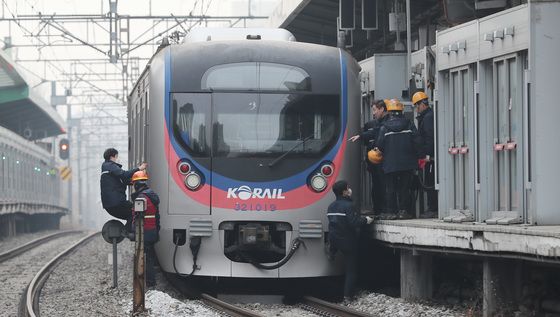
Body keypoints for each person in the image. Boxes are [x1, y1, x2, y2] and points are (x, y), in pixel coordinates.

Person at [327, 180, 374, 300]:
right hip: (348, 241)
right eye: (348, 188)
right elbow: (353, 223)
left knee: (337, 246)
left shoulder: (331, 206)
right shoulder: (349, 206)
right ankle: (348, 296)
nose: (350, 189)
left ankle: (332, 252)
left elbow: (334, 224)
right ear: (344, 192)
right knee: (351, 270)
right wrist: (366, 220)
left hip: (334, 239)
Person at [376, 99, 421, 220]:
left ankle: (391, 212)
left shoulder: (384, 128)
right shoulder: (409, 124)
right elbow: (417, 142)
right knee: (404, 188)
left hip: (390, 164)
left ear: (389, 112)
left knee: (390, 188)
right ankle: (403, 211)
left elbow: (379, 146)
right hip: (407, 163)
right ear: (402, 111)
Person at [349, 100, 389, 216]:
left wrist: (361, 136)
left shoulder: (387, 123)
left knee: (384, 186)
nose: (373, 113)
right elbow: (374, 134)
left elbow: (376, 135)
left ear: (382, 109)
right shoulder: (378, 123)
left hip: (385, 161)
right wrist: (360, 136)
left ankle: (385, 209)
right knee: (378, 186)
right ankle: (379, 209)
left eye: (375, 110)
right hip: (379, 162)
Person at [100, 148, 147, 231]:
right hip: (116, 203)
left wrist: (135, 181)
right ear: (112, 157)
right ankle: (125, 232)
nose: (118, 158)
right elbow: (124, 174)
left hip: (113, 203)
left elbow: (123, 180)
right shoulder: (109, 166)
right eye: (117, 156)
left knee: (133, 213)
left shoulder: (108, 168)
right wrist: (139, 168)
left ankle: (127, 232)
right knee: (135, 213)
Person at [130, 170, 160, 287]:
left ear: (137, 184)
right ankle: (149, 282)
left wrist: (133, 230)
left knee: (145, 258)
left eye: (134, 184)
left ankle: (149, 283)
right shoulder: (152, 195)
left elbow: (136, 216)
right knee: (149, 257)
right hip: (152, 230)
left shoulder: (141, 198)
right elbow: (157, 216)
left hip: (144, 231)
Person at [412, 91, 438, 218]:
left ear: (423, 104)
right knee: (428, 180)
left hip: (430, 157)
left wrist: (427, 155)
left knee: (430, 181)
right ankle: (432, 208)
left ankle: (433, 208)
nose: (417, 108)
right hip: (428, 156)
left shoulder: (427, 118)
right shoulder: (427, 116)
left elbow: (429, 137)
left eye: (417, 105)